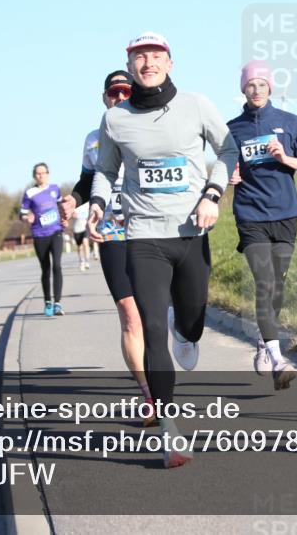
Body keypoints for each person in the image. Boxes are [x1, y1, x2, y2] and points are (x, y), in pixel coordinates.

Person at [87, 32, 238, 468]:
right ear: (130, 65)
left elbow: (229, 148)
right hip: (144, 237)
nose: (147, 62)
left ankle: (185, 330)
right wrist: (97, 204)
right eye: (138, 57)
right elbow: (105, 170)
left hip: (191, 232)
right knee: (150, 326)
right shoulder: (116, 120)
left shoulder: (195, 105)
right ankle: (171, 432)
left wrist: (212, 194)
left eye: (155, 56)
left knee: (189, 323)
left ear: (169, 62)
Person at [62, 70, 155, 426]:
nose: (119, 98)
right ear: (105, 98)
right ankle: (149, 395)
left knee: (155, 316)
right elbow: (88, 179)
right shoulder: (93, 139)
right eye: (113, 94)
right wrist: (74, 199)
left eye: (126, 92)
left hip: (150, 229)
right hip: (113, 232)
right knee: (130, 317)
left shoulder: (150, 127)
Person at [227, 60, 297, 390]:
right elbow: (221, 168)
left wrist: (285, 159)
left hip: (285, 214)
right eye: (250, 84)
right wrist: (229, 175)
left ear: (271, 88)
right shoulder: (232, 129)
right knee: (265, 283)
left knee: (277, 286)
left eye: (262, 84)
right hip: (250, 215)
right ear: (243, 89)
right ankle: (278, 358)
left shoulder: (290, 123)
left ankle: (265, 342)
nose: (256, 89)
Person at [20, 163, 66, 317]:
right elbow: (22, 213)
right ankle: (48, 302)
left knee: (57, 266)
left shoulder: (55, 189)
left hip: (56, 232)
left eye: (43, 173)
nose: (41, 176)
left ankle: (58, 304)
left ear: (48, 174)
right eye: (38, 173)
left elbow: (61, 207)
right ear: (34, 176)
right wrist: (27, 217)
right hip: (40, 234)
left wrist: (65, 218)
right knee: (46, 269)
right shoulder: (30, 193)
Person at [72, 203, 91, 270]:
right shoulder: (75, 204)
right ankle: (81, 261)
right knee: (80, 247)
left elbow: (90, 213)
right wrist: (74, 215)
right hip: (77, 229)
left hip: (85, 228)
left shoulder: (86, 204)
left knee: (85, 243)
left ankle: (87, 261)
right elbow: (72, 215)